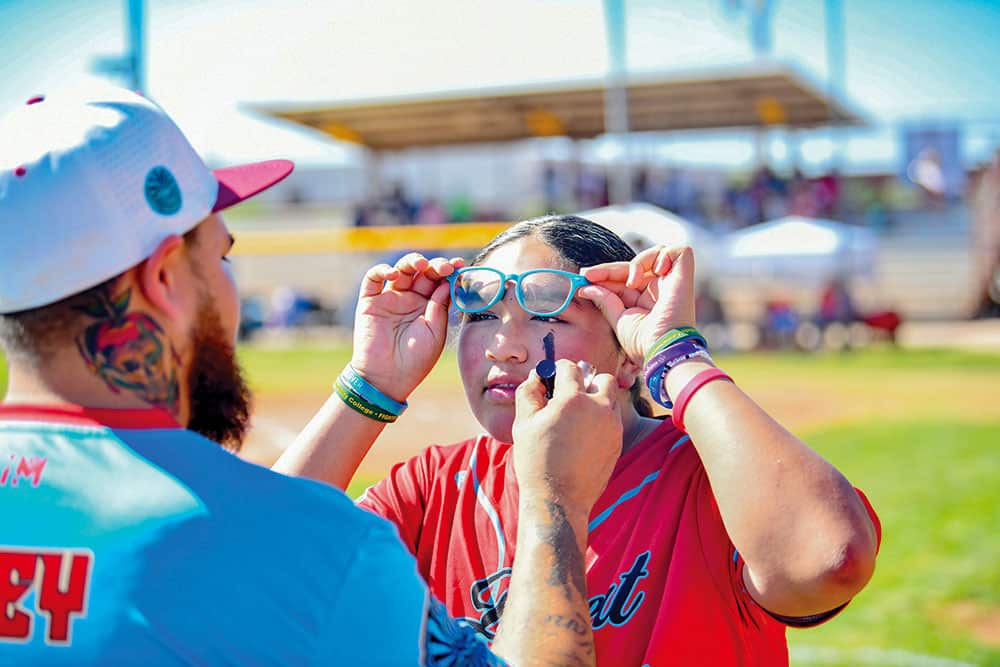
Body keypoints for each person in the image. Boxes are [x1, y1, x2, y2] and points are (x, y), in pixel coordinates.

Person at [0, 86, 618, 665]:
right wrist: (555, 504)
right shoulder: (309, 551)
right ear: (163, 280)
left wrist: (370, 388)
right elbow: (270, 539)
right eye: (222, 255)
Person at [276, 214, 883, 666]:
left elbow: (827, 560)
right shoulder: (438, 484)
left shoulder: (704, 476)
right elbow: (258, 561)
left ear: (626, 356)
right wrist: (370, 385)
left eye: (549, 317)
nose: (504, 344)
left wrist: (676, 355)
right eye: (481, 314)